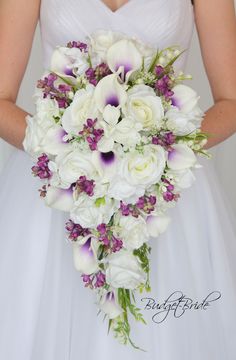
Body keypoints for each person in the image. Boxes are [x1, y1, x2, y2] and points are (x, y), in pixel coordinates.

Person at [0, 0, 235, 359]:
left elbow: (232, 100)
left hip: (164, 192)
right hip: (58, 190)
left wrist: (160, 146)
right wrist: (67, 154)